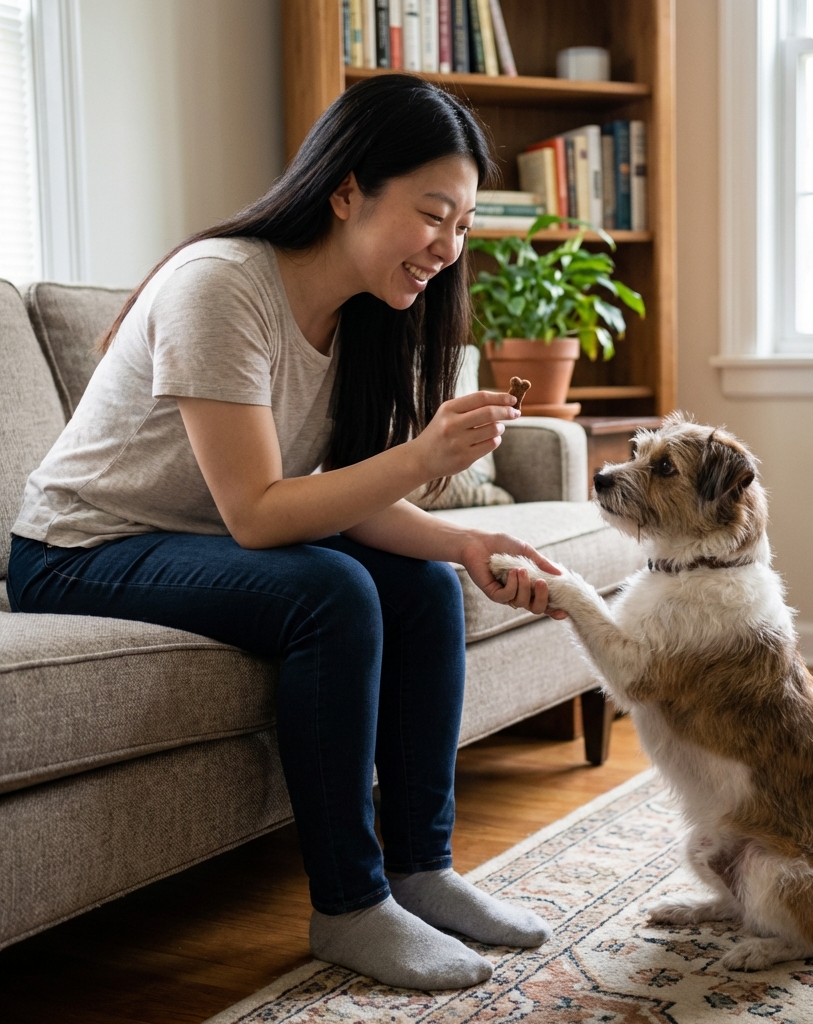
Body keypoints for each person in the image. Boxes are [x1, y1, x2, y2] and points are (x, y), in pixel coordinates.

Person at [5, 74, 563, 991]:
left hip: (193, 542)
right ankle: (348, 904)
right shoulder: (221, 286)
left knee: (422, 586)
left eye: (463, 227)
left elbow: (338, 497)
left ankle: (422, 873)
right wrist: (425, 455)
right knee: (332, 592)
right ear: (347, 190)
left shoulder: (362, 320)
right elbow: (258, 512)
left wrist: (463, 545)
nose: (448, 248)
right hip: (78, 552)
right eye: (434, 214)